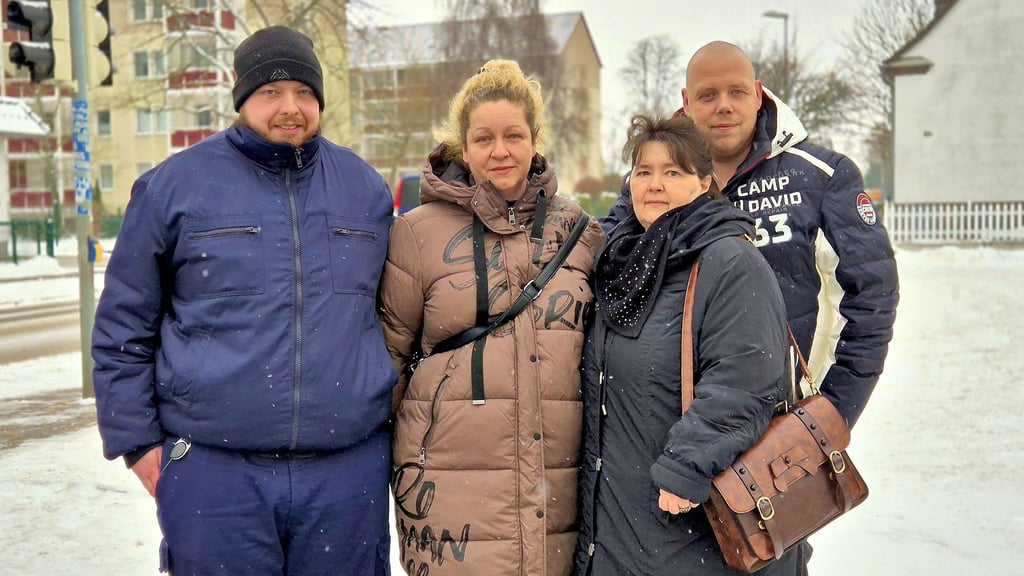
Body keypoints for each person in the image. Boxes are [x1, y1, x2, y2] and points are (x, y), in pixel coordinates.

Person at [92, 26, 396, 575]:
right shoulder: (174, 187)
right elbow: (122, 327)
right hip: (216, 475)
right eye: (271, 92)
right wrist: (137, 443)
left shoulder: (365, 190)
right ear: (242, 99)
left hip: (345, 475)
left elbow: (396, 319)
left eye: (304, 93)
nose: (290, 108)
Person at [379, 59, 604, 576]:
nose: (500, 151)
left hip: (560, 479)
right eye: (484, 138)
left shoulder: (580, 230)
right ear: (463, 144)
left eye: (513, 135)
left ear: (534, 139)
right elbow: (389, 355)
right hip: (449, 488)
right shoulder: (416, 234)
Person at [604, 41, 899, 429]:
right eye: (707, 95)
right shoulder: (649, 184)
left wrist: (831, 416)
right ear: (686, 102)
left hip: (779, 434)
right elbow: (606, 266)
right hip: (666, 430)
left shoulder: (821, 177)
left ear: (758, 95)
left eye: (737, 92)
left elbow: (871, 298)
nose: (723, 105)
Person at [574, 114, 807, 575]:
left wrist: (687, 465)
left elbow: (746, 377)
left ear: (705, 182)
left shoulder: (730, 261)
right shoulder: (622, 262)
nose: (654, 184)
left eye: (672, 172)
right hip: (622, 526)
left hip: (694, 521)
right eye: (643, 172)